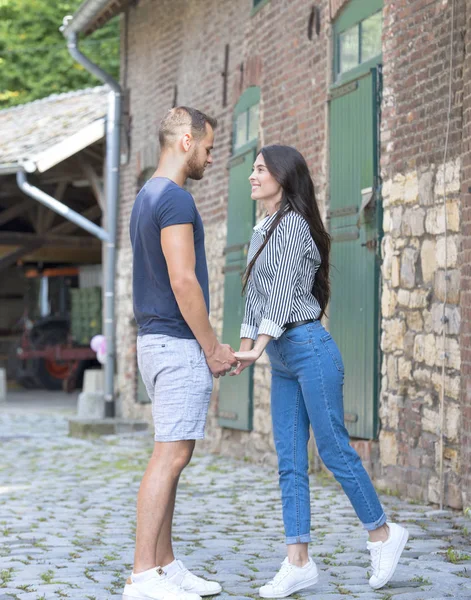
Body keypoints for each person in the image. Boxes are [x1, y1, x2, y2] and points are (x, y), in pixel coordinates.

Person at [231, 145, 409, 599]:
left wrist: (258, 349)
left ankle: (383, 535)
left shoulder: (294, 227)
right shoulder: (262, 229)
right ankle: (298, 562)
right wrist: (245, 350)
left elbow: (287, 295)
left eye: (259, 170)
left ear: (284, 178)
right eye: (251, 169)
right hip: (283, 357)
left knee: (333, 449)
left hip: (309, 348)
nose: (252, 176)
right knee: (289, 460)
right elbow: (255, 301)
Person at [125, 107, 237, 600]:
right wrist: (211, 347)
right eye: (210, 148)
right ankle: (144, 575)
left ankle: (166, 565)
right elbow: (183, 278)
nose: (212, 158)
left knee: (175, 453)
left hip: (154, 342)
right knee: (169, 457)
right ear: (187, 141)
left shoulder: (145, 195)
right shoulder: (174, 199)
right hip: (175, 343)